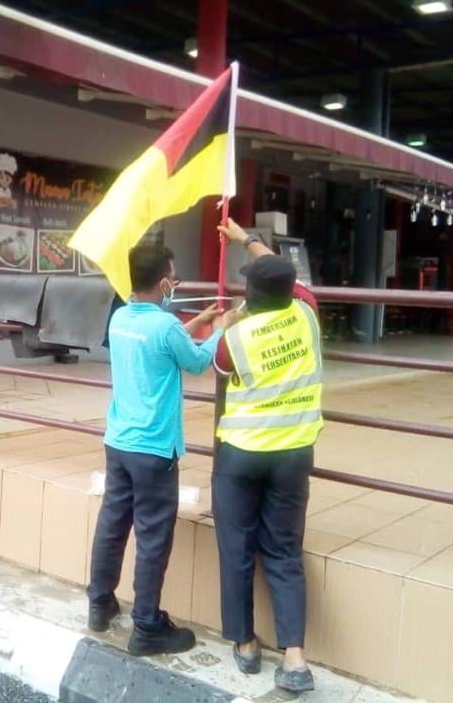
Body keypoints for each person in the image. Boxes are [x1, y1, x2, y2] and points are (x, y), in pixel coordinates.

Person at [87, 244, 230, 656]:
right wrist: (221, 328)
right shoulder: (165, 326)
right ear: (164, 282)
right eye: (175, 278)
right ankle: (147, 626)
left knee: (112, 524)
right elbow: (198, 362)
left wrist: (198, 321)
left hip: (119, 442)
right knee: (152, 538)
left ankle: (100, 604)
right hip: (154, 451)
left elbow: (162, 344)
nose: (176, 284)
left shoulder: (120, 318)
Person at [211, 218, 323, 693]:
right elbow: (281, 274)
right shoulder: (307, 315)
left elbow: (217, 365)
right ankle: (295, 658)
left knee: (237, 547)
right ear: (291, 291)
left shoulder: (235, 338)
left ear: (250, 295)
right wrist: (249, 240)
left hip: (241, 455)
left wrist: (225, 323)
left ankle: (246, 644)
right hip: (293, 453)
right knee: (284, 550)